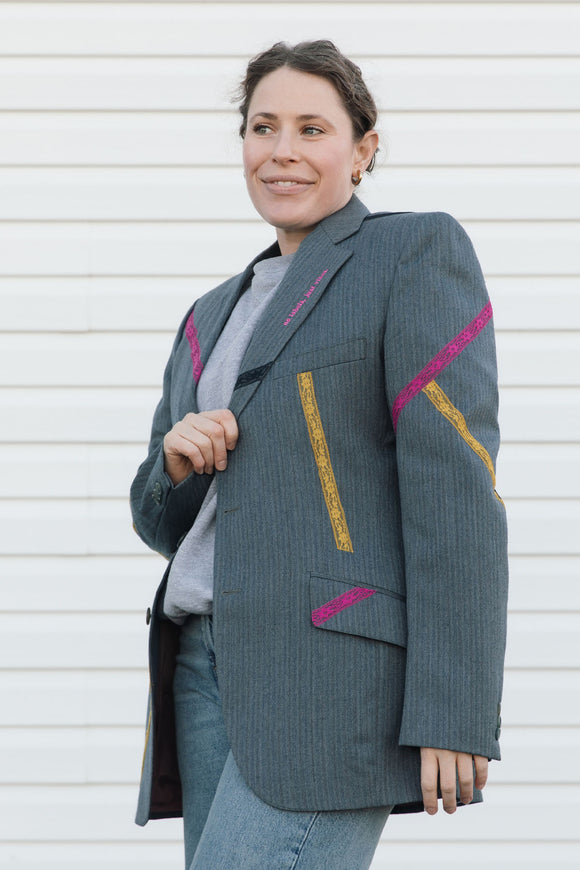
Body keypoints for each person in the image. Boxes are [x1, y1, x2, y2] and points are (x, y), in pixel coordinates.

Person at [131, 39, 509, 870]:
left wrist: (455, 709)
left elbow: (455, 492)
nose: (282, 150)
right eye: (263, 127)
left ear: (363, 149)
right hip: (198, 664)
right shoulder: (208, 314)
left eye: (312, 128)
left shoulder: (409, 254)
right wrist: (174, 467)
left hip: (326, 676)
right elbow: (159, 524)